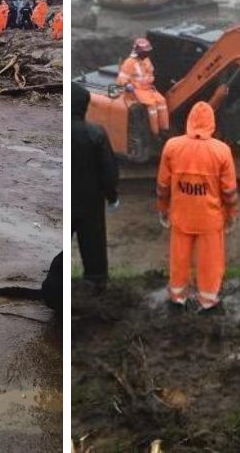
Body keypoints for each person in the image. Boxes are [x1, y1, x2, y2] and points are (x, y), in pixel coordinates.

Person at [157, 101, 238, 313]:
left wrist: (163, 208)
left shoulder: (172, 146)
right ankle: (208, 300)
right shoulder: (222, 151)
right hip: (210, 218)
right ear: (212, 123)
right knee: (210, 262)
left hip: (181, 215)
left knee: (179, 259)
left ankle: (178, 297)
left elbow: (163, 185)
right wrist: (231, 215)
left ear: (189, 121)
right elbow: (229, 191)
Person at [72, 82, 119, 291]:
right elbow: (108, 169)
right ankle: (96, 284)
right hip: (90, 201)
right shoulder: (95, 133)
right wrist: (112, 196)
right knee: (93, 243)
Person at [117, 38, 169, 138]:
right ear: (138, 51)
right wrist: (127, 85)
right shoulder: (129, 63)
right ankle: (155, 133)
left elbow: (150, 72)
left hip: (148, 88)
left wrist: (150, 80)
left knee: (162, 101)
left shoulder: (146, 60)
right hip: (137, 90)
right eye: (145, 51)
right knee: (152, 105)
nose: (147, 53)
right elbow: (122, 78)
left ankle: (164, 129)